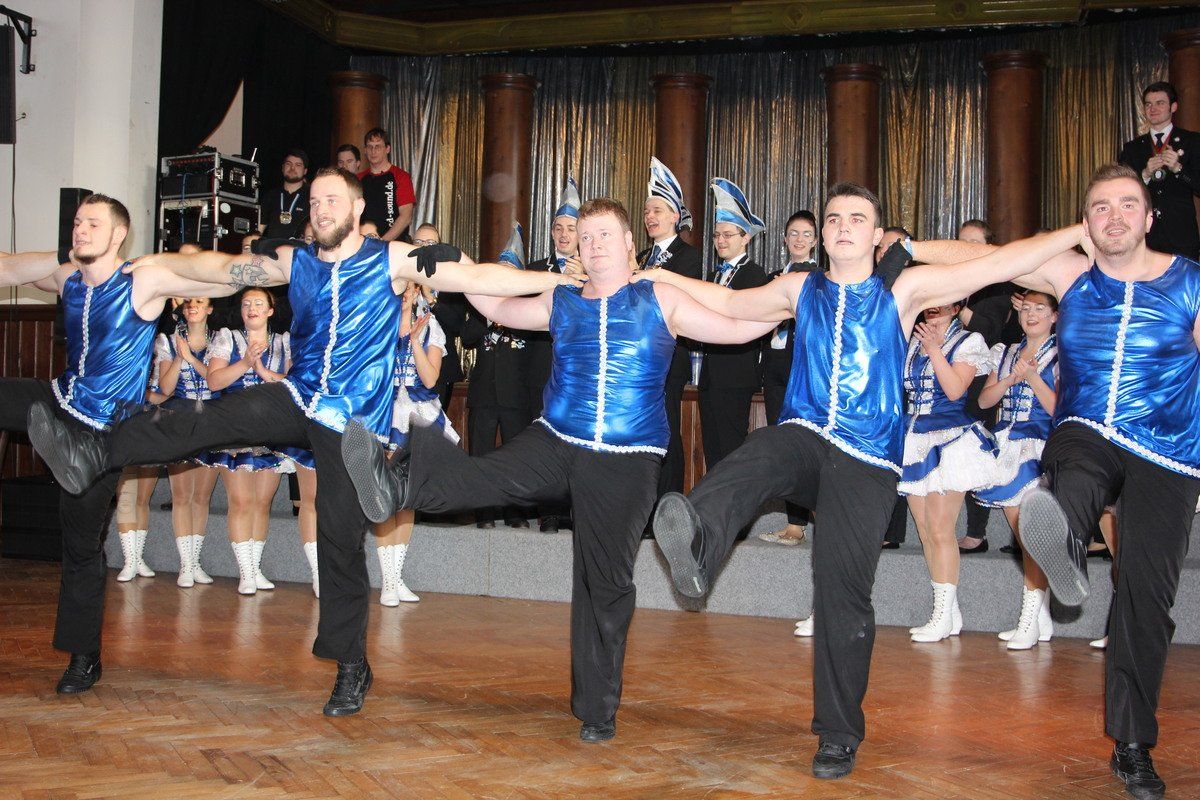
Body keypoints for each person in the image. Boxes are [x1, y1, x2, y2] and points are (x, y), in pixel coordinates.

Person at [27, 167, 579, 717]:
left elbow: (480, 277)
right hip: (298, 396)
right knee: (211, 417)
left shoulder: (392, 259)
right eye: (314, 202)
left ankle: (351, 666)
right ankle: (93, 453)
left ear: (357, 209)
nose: (320, 209)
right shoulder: (294, 261)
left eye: (332, 200)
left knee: (340, 540)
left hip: (352, 424)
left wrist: (554, 281)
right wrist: (156, 264)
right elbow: (221, 269)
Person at [631, 181, 1083, 779]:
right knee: (761, 450)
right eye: (834, 218)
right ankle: (696, 542)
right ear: (823, 235)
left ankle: (838, 733)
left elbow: (998, 265)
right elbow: (731, 304)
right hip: (807, 436)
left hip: (867, 460)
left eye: (857, 218)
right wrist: (655, 277)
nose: (844, 226)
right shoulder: (801, 287)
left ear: (875, 236)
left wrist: (1078, 232)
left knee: (841, 593)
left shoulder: (903, 290)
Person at [339, 197, 782, 744]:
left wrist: (789, 306)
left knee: (606, 581)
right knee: (485, 476)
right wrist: (455, 265)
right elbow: (498, 307)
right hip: (556, 438)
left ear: (629, 243)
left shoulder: (659, 297)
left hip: (628, 456)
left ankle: (597, 707)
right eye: (586, 237)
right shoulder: (562, 299)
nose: (594, 245)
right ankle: (397, 482)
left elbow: (735, 328)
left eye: (605, 235)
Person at [920, 164, 1196, 799]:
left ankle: (1133, 744)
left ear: (1150, 217)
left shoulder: (1190, 283)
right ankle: (1063, 542)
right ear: (1086, 223)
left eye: (1128, 205)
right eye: (1101, 207)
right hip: (1087, 427)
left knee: (1147, 599)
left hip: (1169, 452)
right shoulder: (1071, 276)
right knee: (1075, 470)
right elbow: (986, 260)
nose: (1115, 216)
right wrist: (908, 246)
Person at [0, 194, 259, 695]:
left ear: (118, 235)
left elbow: (219, 276)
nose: (80, 230)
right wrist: (59, 257)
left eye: (92, 225)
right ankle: (54, 440)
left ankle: (84, 658)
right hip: (59, 401)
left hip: (104, 433)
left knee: (80, 544)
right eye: (77, 223)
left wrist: (265, 264)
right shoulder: (67, 276)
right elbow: (9, 267)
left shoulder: (142, 280)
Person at [898, 301, 995, 643]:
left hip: (950, 438)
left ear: (956, 307)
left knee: (941, 529)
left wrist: (935, 350)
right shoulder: (913, 340)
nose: (933, 311)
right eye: (930, 306)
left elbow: (955, 390)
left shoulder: (969, 341)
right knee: (925, 530)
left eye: (941, 306)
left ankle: (940, 614)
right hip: (914, 437)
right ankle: (949, 612)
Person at [974, 290, 1059, 650]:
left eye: (1040, 308)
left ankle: (1029, 620)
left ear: (1054, 316)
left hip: (1038, 447)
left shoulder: (1062, 354)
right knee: (1023, 535)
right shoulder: (1006, 352)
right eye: (1026, 308)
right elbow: (984, 400)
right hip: (1006, 445)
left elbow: (1060, 409)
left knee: (1032, 534)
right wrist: (1009, 380)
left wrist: (1034, 378)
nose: (1031, 314)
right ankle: (1041, 617)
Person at [205, 287, 294, 596]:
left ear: (270, 310)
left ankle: (255, 568)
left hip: (271, 428)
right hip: (235, 426)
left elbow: (293, 384)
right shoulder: (227, 337)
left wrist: (264, 371)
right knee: (241, 500)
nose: (251, 308)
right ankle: (245, 572)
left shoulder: (283, 341)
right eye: (246, 304)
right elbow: (213, 381)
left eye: (258, 303)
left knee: (262, 501)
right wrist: (244, 363)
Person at [373, 281, 455, 605]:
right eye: (403, 288)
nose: (407, 293)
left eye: (412, 288)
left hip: (418, 414)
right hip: (384, 415)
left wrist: (415, 342)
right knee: (384, 494)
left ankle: (396, 577)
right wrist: (401, 323)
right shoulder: (379, 323)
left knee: (408, 498)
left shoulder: (432, 327)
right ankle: (387, 581)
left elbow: (431, 379)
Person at [636, 158, 704, 497]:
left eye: (657, 211)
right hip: (638, 359)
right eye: (647, 211)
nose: (650, 217)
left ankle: (668, 504)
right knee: (642, 432)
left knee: (666, 430)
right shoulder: (640, 257)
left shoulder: (689, 257)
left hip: (668, 358)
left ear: (676, 215)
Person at [462, 223, 533, 529]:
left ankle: (515, 512)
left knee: (515, 457)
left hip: (516, 395)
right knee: (481, 455)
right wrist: (489, 314)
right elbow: (467, 337)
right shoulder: (482, 306)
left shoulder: (529, 308)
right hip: (483, 394)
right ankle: (484, 512)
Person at [698, 178, 770, 470]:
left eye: (728, 234)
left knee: (731, 450)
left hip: (735, 376)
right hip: (709, 377)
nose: (721, 241)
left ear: (746, 238)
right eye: (717, 235)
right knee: (711, 449)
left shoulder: (755, 275)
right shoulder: (712, 275)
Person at [759, 210, 819, 549]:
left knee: (805, 445)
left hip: (804, 371)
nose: (799, 239)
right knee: (784, 445)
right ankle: (794, 523)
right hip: (774, 369)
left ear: (815, 241)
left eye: (806, 234)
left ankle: (811, 521)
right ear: (784, 239)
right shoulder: (772, 277)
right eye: (793, 233)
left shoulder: (820, 278)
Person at [524, 177, 581, 532]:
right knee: (544, 441)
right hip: (540, 368)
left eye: (571, 229)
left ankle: (575, 509)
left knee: (575, 441)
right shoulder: (534, 269)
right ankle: (547, 512)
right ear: (550, 232)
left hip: (577, 372)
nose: (563, 234)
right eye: (558, 228)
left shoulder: (593, 272)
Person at [155, 294, 221, 588]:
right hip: (179, 420)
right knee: (181, 495)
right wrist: (180, 357)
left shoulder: (221, 340)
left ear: (210, 308)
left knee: (202, 496)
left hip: (211, 420)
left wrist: (193, 358)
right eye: (189, 302)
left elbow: (217, 381)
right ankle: (186, 564)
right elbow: (165, 388)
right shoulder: (167, 342)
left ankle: (195, 561)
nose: (193, 306)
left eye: (200, 302)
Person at [1119, 81, 1200, 260]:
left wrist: (1178, 168)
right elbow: (1121, 189)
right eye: (1148, 104)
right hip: (1144, 236)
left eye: (1160, 103)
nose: (1153, 109)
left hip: (1181, 235)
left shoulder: (1192, 141)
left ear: (1173, 107)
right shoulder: (1132, 148)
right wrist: (1144, 175)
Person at [358, 128, 416, 242]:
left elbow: (406, 217)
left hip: (393, 245)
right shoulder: (358, 179)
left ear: (387, 149)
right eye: (370, 147)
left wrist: (381, 243)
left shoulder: (401, 176)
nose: (373, 151)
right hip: (362, 244)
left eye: (378, 146)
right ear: (365, 150)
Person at [262, 149, 310, 240]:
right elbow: (259, 229)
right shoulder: (271, 196)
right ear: (282, 168)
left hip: (299, 247)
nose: (292, 168)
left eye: (298, 165)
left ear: (305, 171)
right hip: (272, 247)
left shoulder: (311, 197)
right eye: (288, 164)